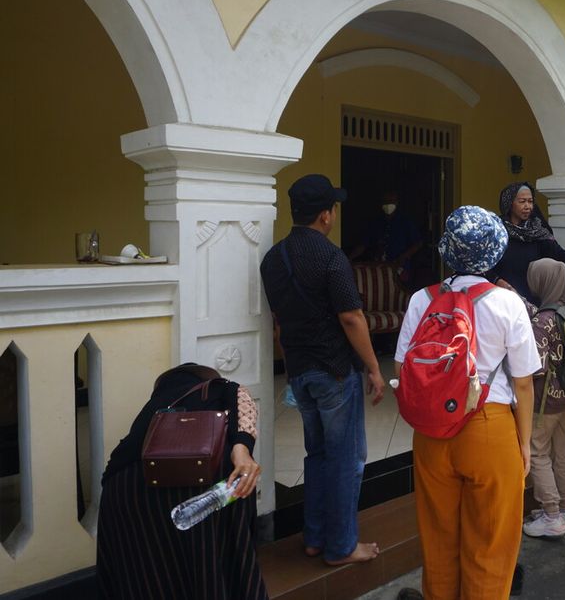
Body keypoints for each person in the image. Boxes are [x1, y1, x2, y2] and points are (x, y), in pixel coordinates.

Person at [394, 205, 539, 599]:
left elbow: (403, 366)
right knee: (491, 542)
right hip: (490, 428)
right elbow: (524, 385)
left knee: (438, 539)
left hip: (432, 433)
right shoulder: (508, 303)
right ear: (494, 254)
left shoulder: (421, 299)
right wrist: (524, 444)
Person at [260, 173, 386, 566]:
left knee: (316, 455)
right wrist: (373, 368)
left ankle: (314, 537)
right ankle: (341, 546)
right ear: (325, 215)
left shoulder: (272, 258)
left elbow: (280, 317)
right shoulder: (332, 258)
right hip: (334, 371)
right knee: (347, 458)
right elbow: (351, 317)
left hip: (299, 371)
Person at [96, 363, 266, 599]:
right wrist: (243, 448)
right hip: (199, 484)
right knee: (207, 563)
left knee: (150, 572)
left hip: (125, 490)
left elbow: (111, 469)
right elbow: (241, 396)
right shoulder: (215, 388)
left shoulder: (152, 413)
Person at [520, 258, 565, 539]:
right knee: (563, 452)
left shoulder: (541, 321)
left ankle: (552, 514)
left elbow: (537, 368)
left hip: (545, 403)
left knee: (538, 452)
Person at [490, 181, 565, 304]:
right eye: (522, 201)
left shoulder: (536, 228)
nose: (528, 206)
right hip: (502, 291)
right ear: (509, 204)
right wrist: (496, 280)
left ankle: (549, 315)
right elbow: (485, 263)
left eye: (530, 201)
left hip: (530, 292)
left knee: (558, 268)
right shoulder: (496, 230)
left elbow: (556, 251)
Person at [349, 191, 423, 285]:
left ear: (396, 203)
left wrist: (403, 256)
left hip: (400, 268)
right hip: (379, 268)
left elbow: (418, 243)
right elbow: (363, 244)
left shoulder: (405, 222)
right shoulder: (376, 223)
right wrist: (349, 258)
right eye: (386, 201)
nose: (388, 204)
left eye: (391, 201)